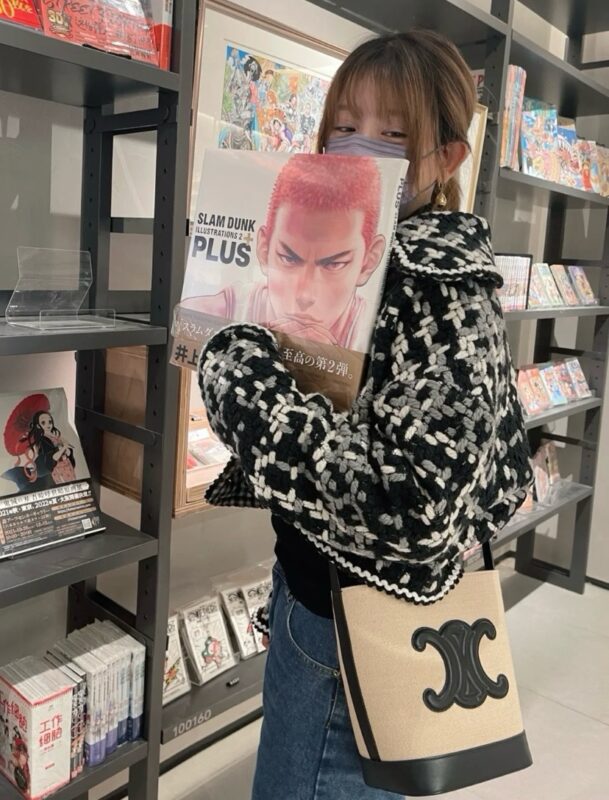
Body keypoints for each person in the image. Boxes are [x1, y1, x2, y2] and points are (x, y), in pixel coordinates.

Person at [198, 30, 532, 800]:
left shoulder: (435, 288)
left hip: (353, 617)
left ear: (447, 156)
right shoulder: (391, 262)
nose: (360, 149)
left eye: (393, 135)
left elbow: (408, 500)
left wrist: (237, 373)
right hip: (314, 591)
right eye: (345, 126)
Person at [181, 154, 387, 350]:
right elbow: (185, 324)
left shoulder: (377, 335)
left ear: (368, 262)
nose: (305, 295)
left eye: (334, 265)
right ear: (264, 250)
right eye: (288, 259)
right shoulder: (227, 309)